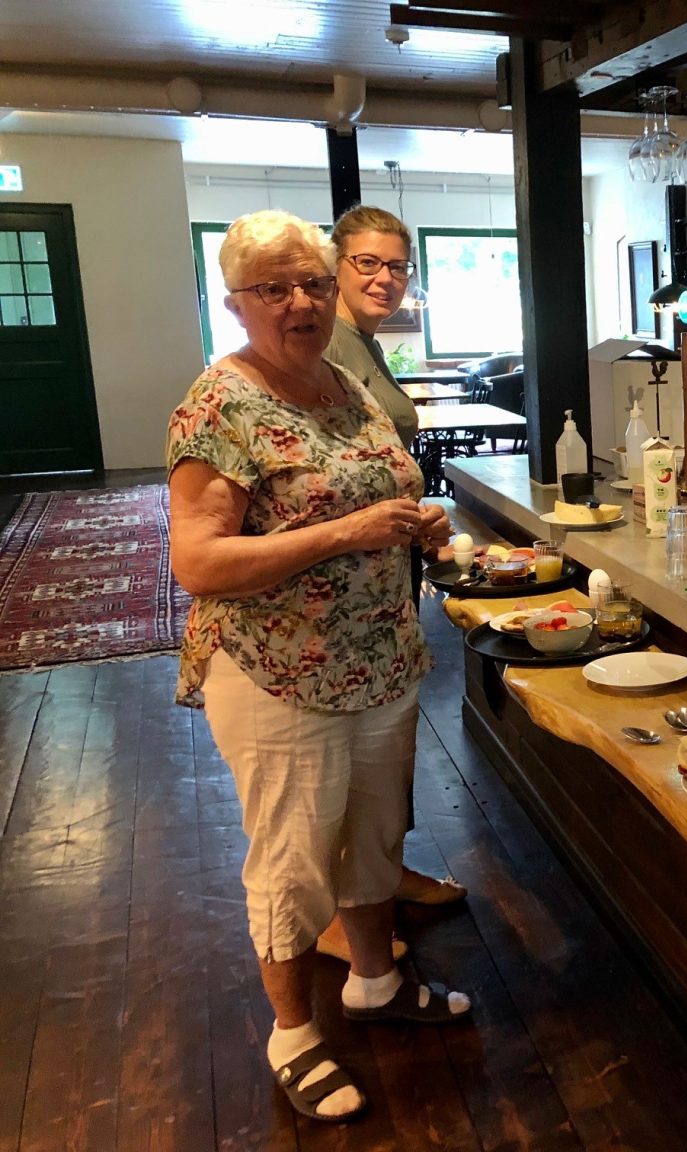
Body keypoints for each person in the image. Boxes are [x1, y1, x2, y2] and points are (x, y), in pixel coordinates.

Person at [166, 210, 468, 1125]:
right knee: (294, 862)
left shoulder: (344, 384)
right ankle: (293, 1033)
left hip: (379, 661)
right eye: (273, 288)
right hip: (280, 676)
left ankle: (376, 981)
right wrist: (346, 533)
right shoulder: (221, 405)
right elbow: (198, 562)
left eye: (310, 282)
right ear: (235, 302)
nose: (299, 302)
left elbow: (380, 489)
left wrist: (420, 521)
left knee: (374, 839)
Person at [323, 203, 469, 936]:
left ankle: (382, 872)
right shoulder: (330, 345)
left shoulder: (365, 344)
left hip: (385, 564)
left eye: (398, 266)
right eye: (367, 263)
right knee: (349, 744)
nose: (386, 278)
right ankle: (333, 909)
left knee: (382, 734)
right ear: (335, 266)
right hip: (347, 579)